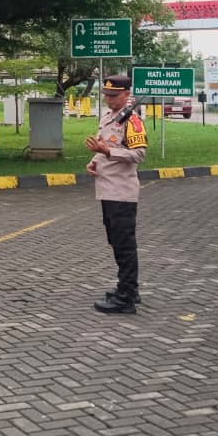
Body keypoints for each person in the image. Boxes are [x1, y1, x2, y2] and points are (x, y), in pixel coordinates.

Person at [84, 75, 147, 314]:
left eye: (114, 95)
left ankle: (127, 297)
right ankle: (127, 287)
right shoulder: (108, 117)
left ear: (126, 94)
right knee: (116, 241)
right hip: (107, 189)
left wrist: (108, 152)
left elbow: (139, 155)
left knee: (124, 244)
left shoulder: (133, 121)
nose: (109, 100)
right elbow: (104, 144)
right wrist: (95, 159)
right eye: (106, 95)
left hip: (122, 192)